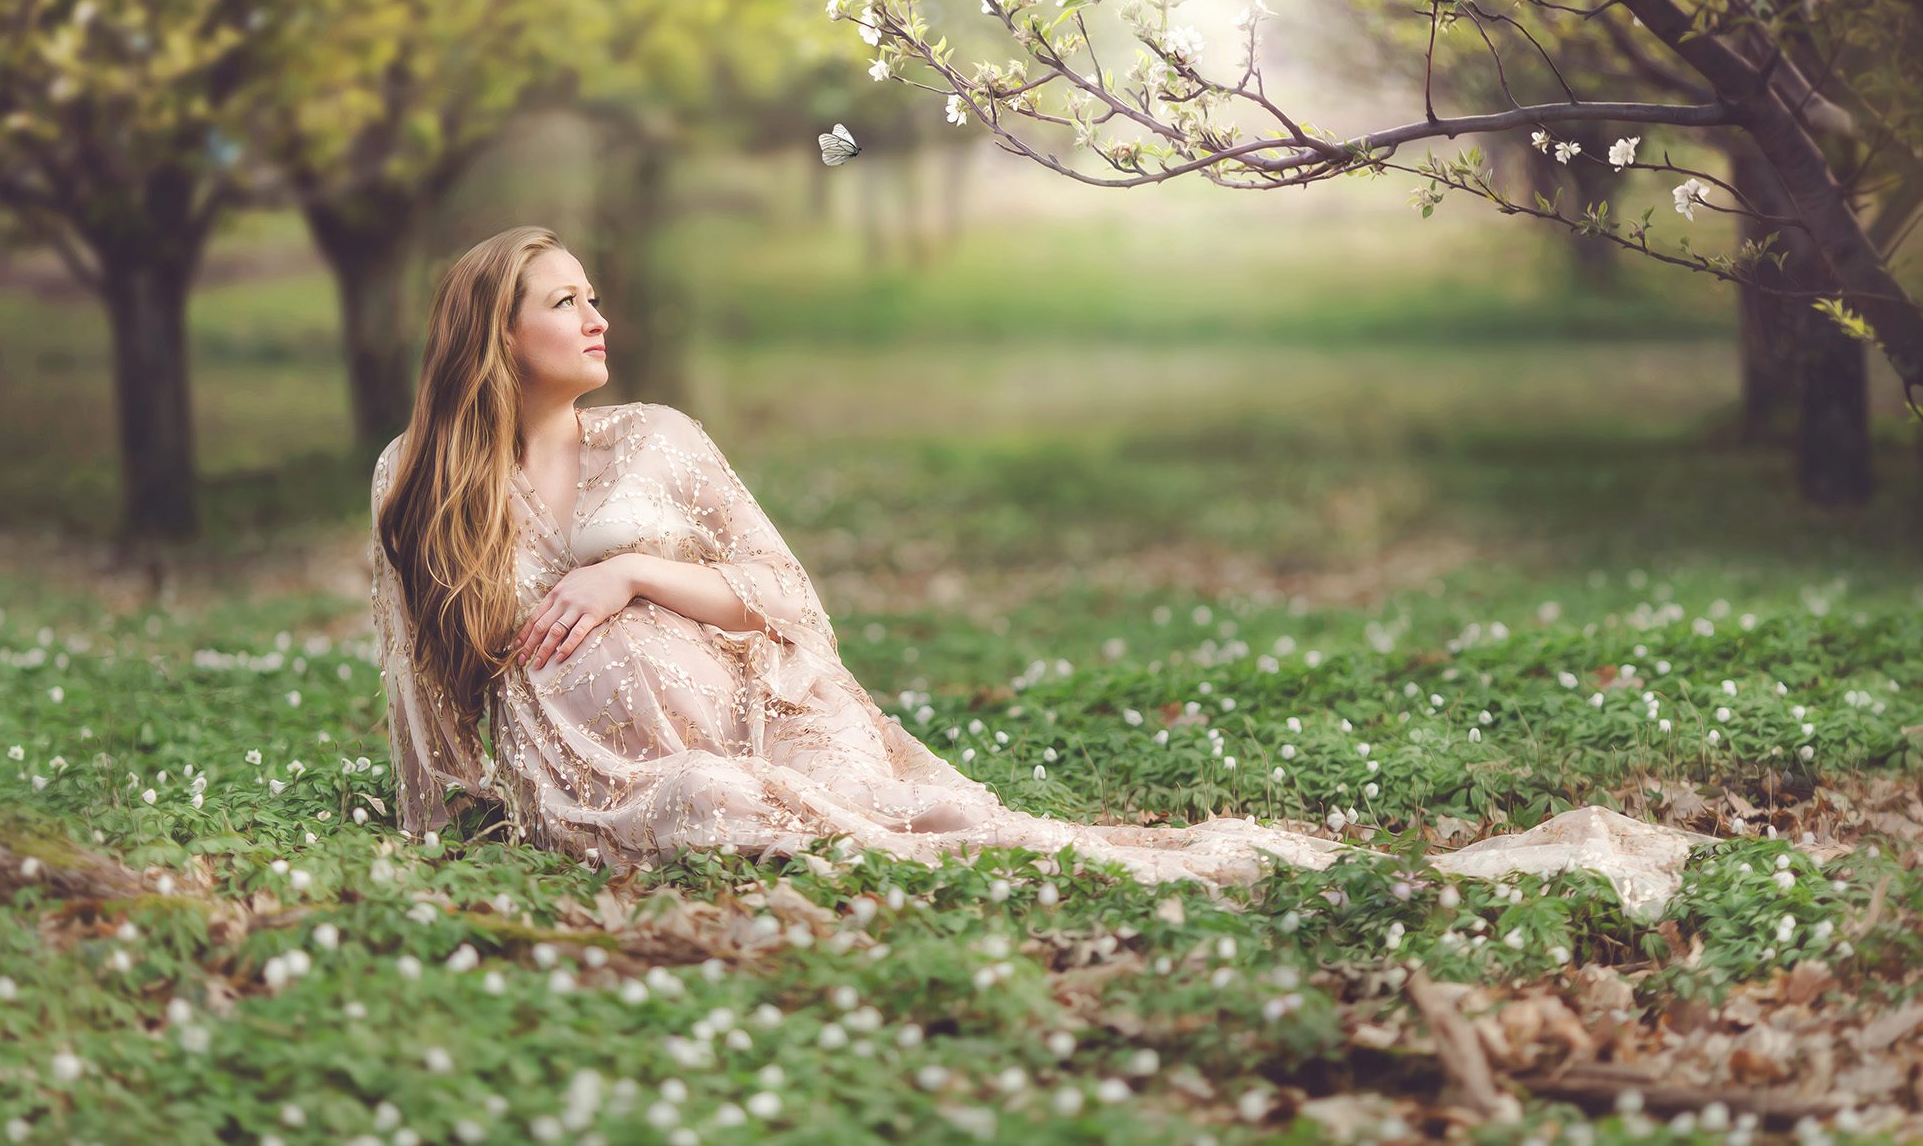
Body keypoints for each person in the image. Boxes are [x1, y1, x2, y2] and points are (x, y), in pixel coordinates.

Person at [369, 226, 1713, 917]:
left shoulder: (659, 440)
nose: (601, 316)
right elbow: (423, 684)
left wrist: (641, 580)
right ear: (496, 327)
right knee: (705, 802)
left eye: (599, 295)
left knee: (980, 839)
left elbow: (790, 604)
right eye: (566, 300)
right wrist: (451, 835)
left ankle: (1398, 879)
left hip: (772, 721)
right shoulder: (411, 480)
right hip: (600, 784)